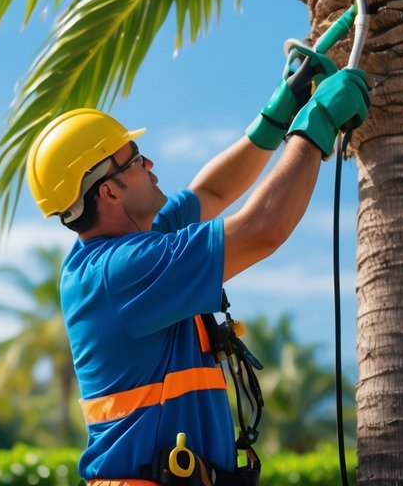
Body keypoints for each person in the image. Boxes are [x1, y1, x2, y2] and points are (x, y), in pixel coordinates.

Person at [26, 52, 371, 486]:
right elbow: (264, 229)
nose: (149, 165)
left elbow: (211, 190)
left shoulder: (124, 250)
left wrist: (278, 114)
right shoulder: (126, 271)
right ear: (110, 191)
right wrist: (316, 123)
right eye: (135, 159)